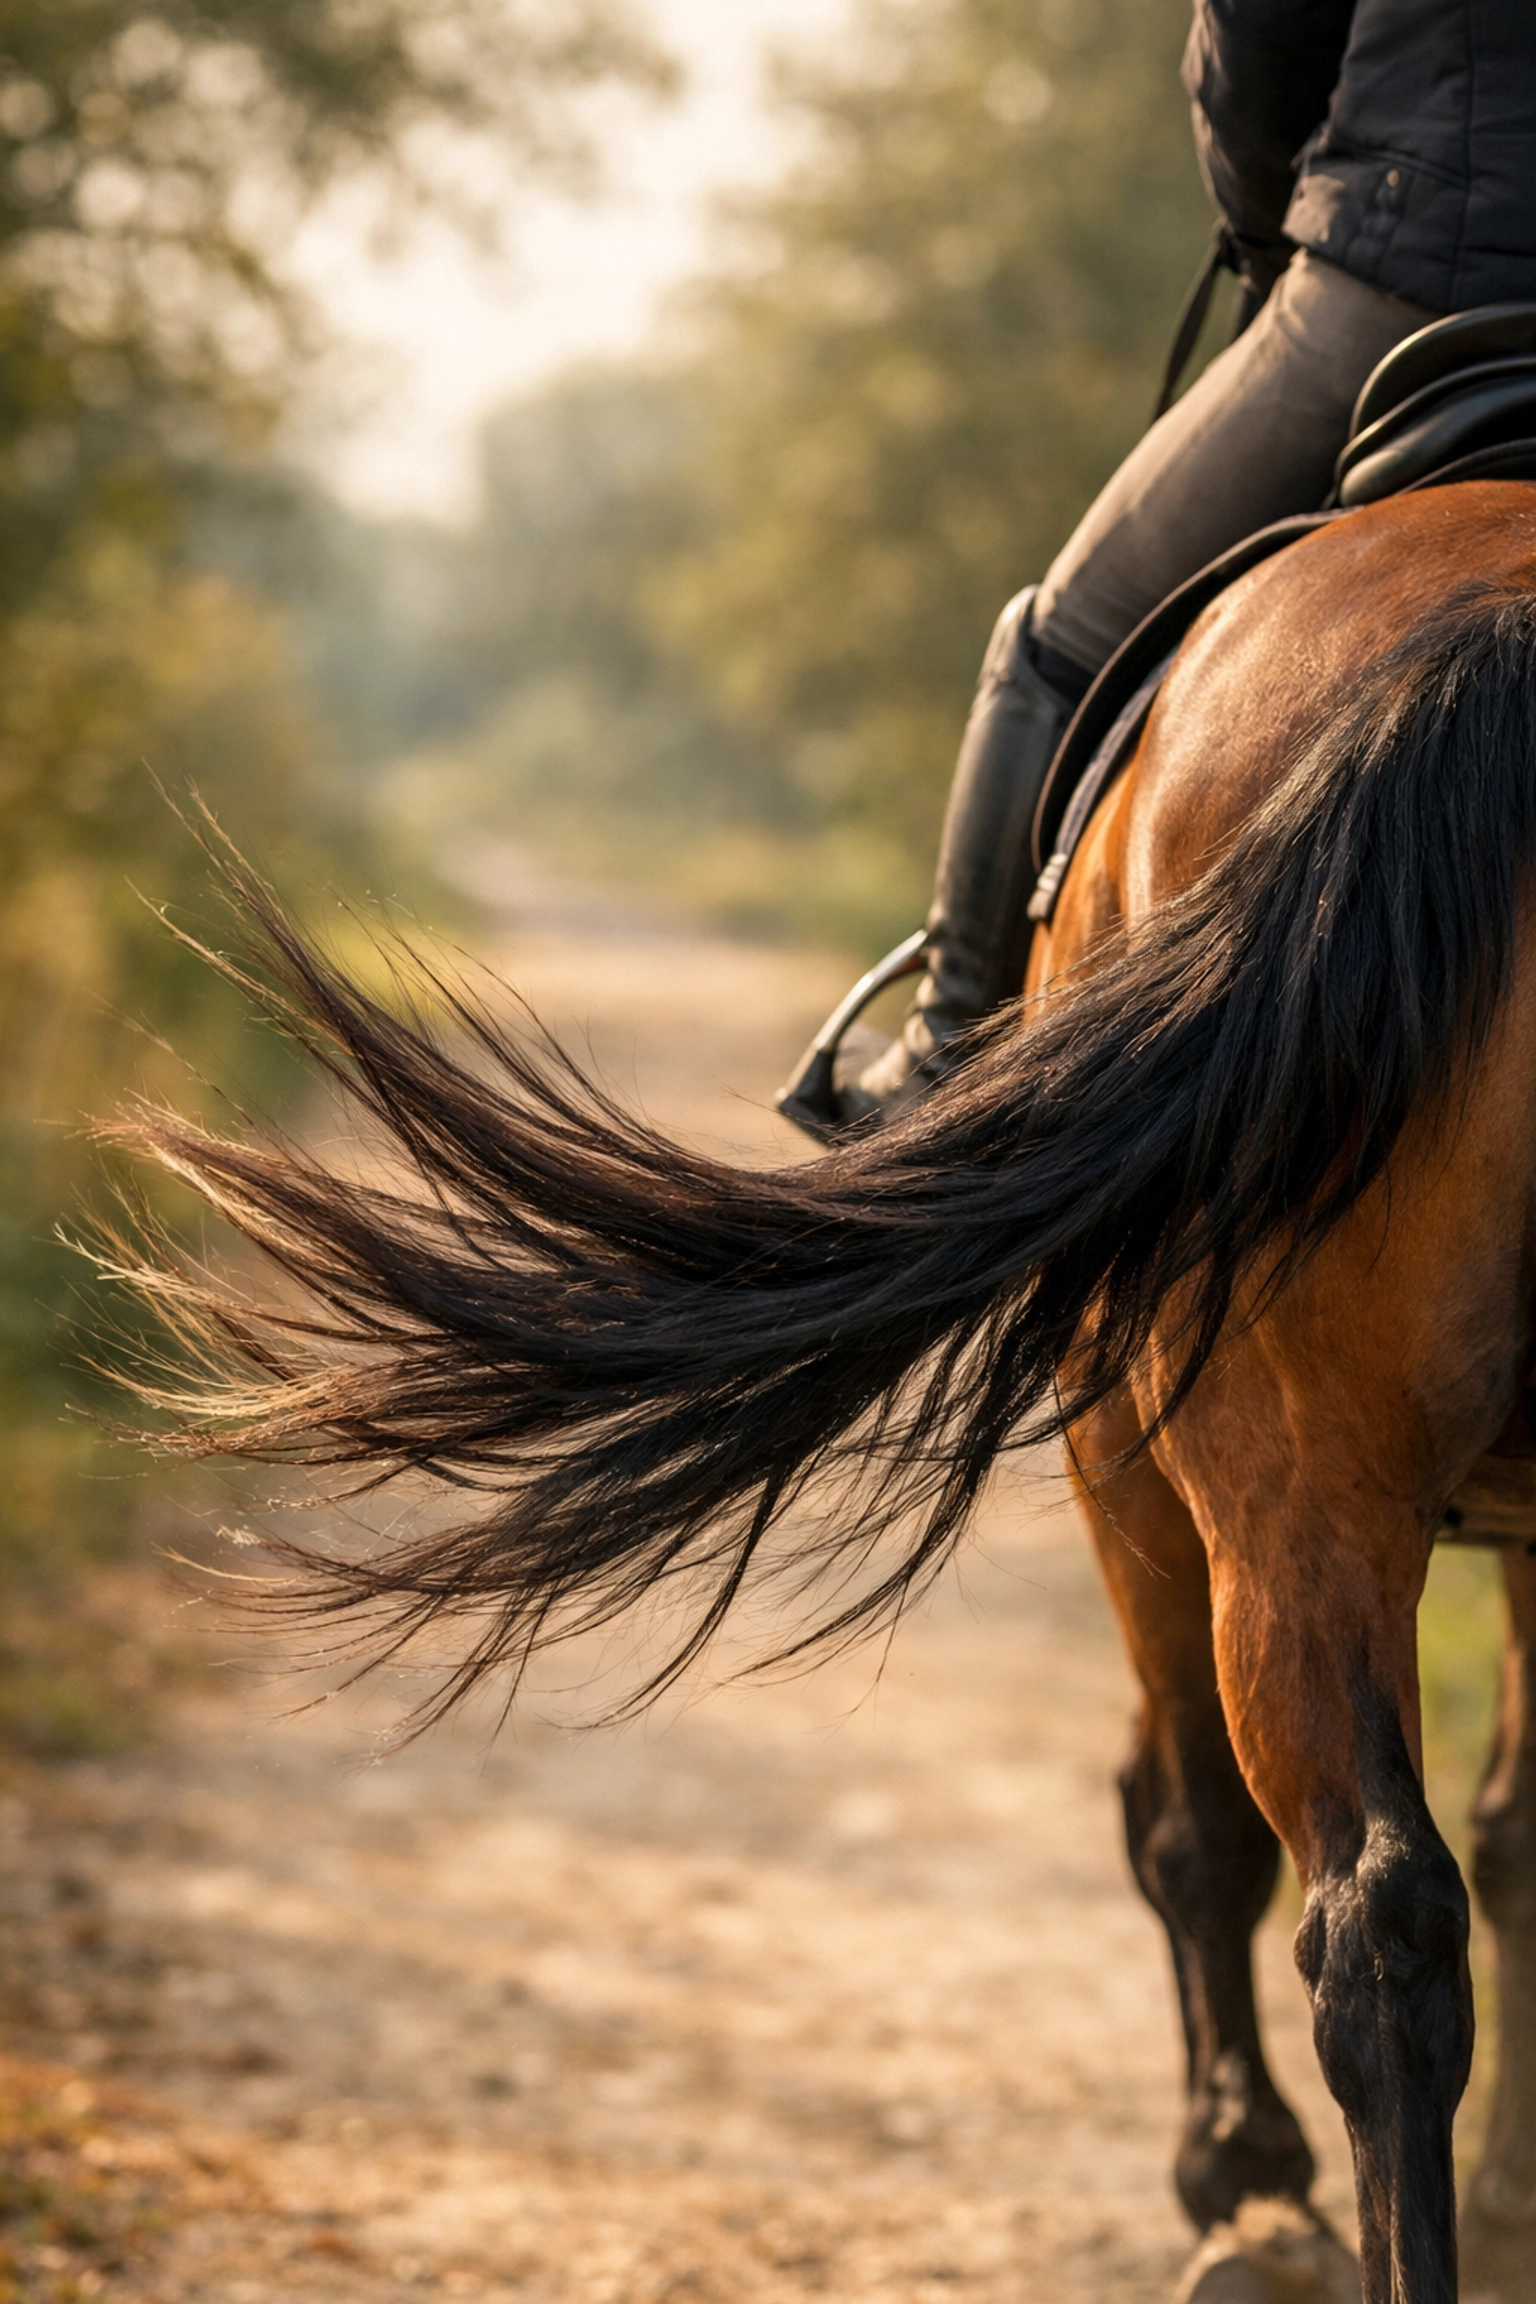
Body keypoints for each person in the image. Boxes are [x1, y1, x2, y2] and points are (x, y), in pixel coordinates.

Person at [822, 0, 1536, 1129]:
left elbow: (1264, 42)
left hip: (1408, 273)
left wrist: (1268, 240)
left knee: (1058, 639)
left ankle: (945, 1064)